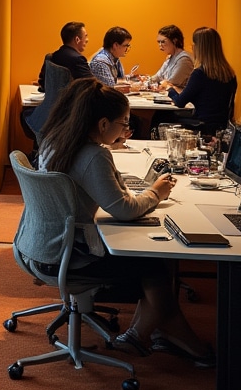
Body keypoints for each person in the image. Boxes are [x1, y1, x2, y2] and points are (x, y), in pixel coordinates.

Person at [25, 77, 213, 365]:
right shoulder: (93, 155)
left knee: (152, 264)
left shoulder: (56, 139)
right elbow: (124, 210)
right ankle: (156, 335)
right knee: (155, 264)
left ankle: (151, 333)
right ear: (102, 124)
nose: (126, 129)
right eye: (123, 123)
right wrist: (156, 193)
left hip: (44, 245)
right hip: (71, 255)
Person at [168, 26, 237, 136]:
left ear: (198, 48)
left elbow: (180, 102)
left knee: (161, 117)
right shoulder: (230, 74)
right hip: (222, 127)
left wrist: (170, 90)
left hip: (201, 125)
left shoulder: (199, 74)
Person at [38, 21, 92, 89]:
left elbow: (42, 83)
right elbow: (92, 86)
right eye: (85, 36)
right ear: (77, 39)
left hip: (53, 95)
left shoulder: (53, 56)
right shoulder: (78, 59)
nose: (87, 40)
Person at [152, 24, 194, 92]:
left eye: (163, 42)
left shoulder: (184, 59)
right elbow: (157, 77)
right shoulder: (170, 57)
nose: (160, 45)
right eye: (158, 42)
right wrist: (144, 80)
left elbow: (170, 83)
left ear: (174, 41)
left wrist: (152, 84)